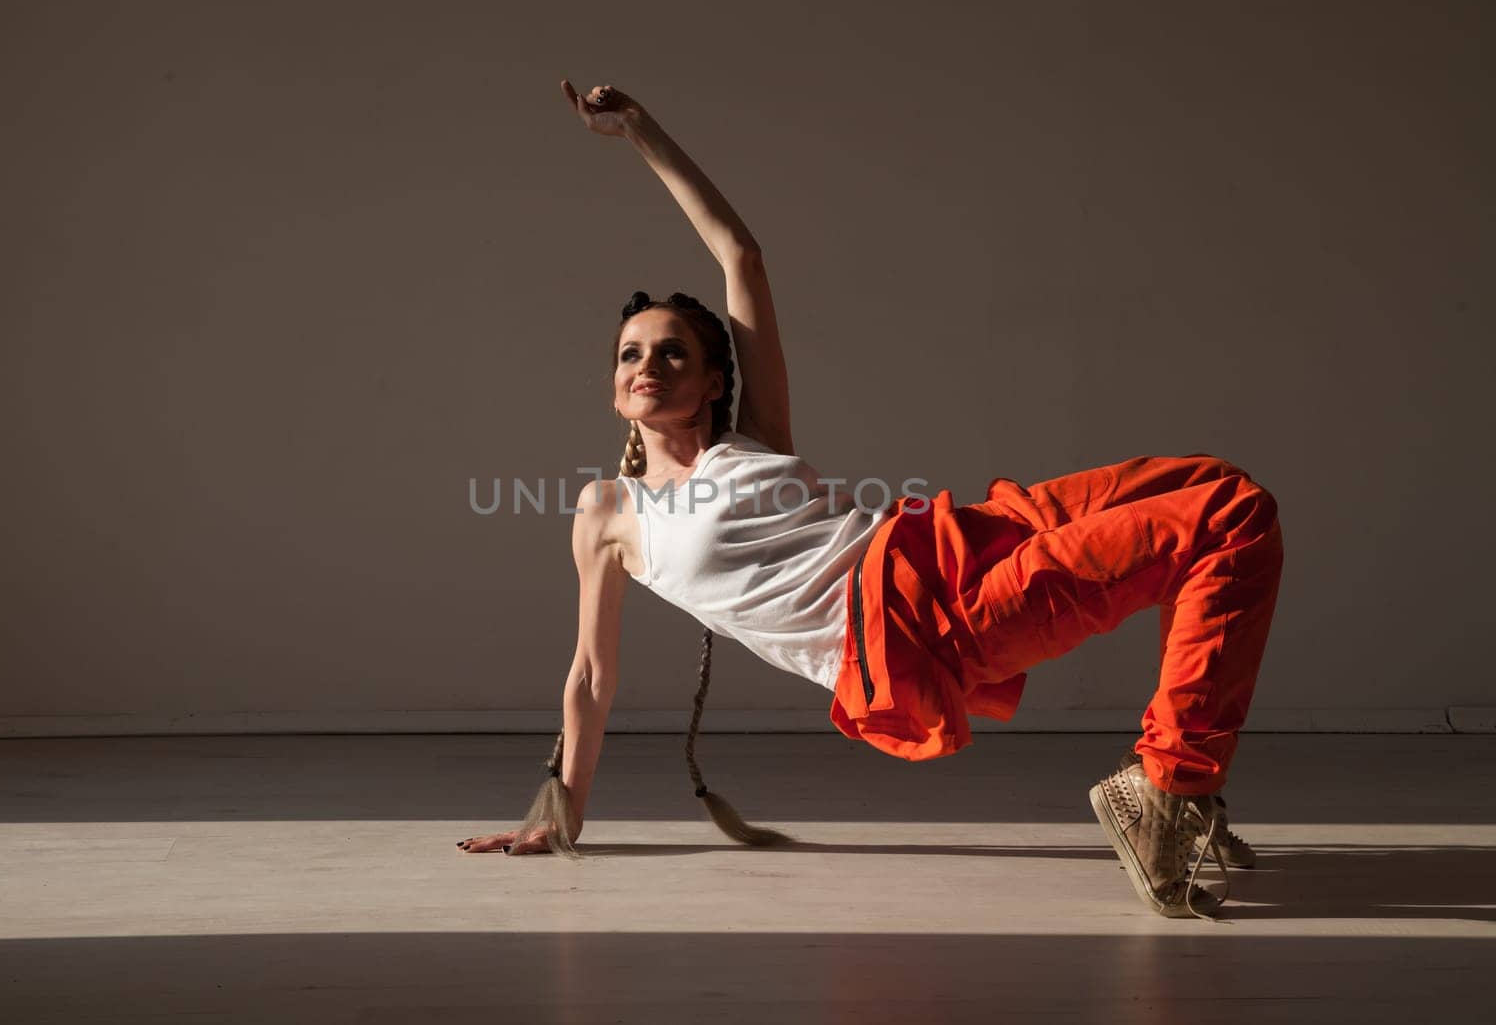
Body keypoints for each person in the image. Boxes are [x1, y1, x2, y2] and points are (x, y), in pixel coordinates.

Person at [455, 81, 1285, 921]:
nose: (647, 364)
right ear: (613, 387)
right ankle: (1172, 788)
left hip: (953, 539)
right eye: (631, 353)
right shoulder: (606, 514)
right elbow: (592, 677)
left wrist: (639, 132)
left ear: (712, 379)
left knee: (1221, 491)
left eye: (673, 352)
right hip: (916, 631)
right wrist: (560, 807)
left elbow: (740, 253)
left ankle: (1185, 790)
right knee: (1227, 530)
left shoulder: (756, 438)